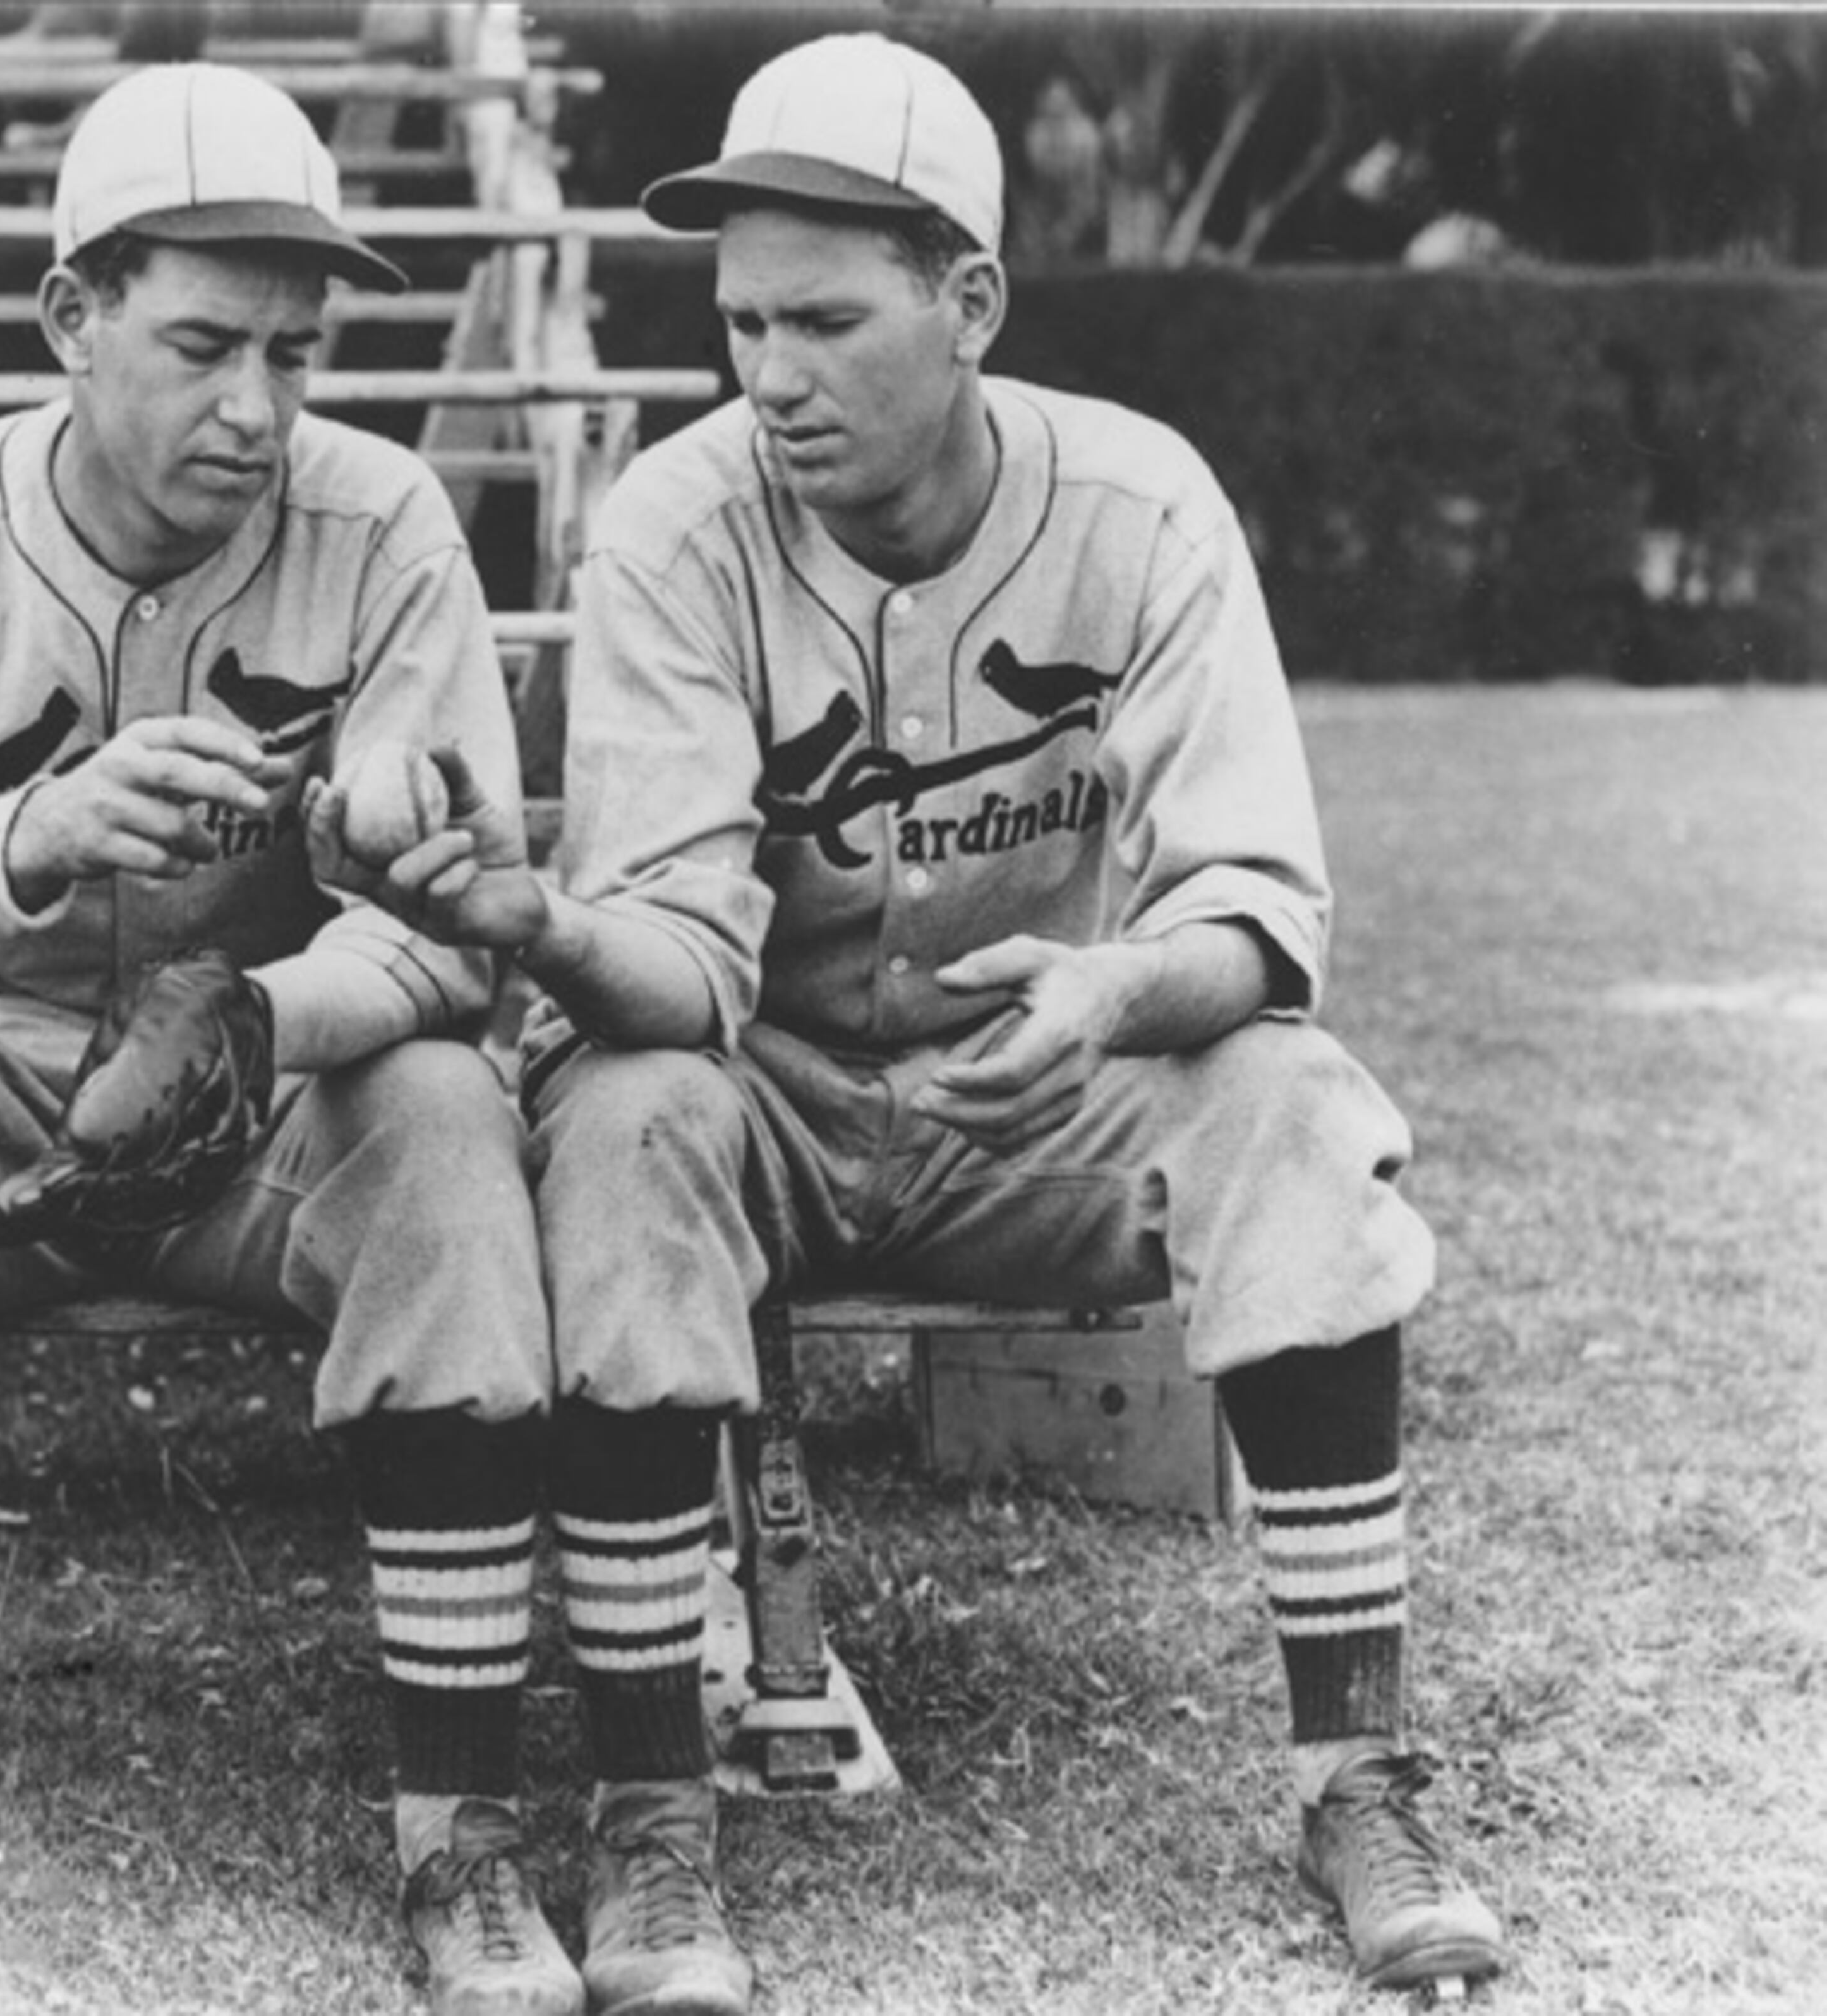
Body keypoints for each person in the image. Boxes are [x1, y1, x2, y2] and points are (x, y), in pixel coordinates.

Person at [310, 31, 1509, 2001]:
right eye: (741, 323)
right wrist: (546, 926)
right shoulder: (681, 525)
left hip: (1044, 1087)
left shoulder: (1140, 504)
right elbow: (678, 962)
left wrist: (1123, 983)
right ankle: (654, 1832)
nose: (768, 376)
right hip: (760, 1093)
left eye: (827, 321)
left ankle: (1358, 1775)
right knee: (623, 1114)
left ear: (971, 306)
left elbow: (1262, 909)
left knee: (1289, 1098)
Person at [0, 61, 690, 2016]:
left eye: (293, 350)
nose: (256, 410)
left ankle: (462, 1840)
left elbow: (452, 947)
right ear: (70, 321)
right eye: (199, 344)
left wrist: (268, 1011)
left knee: (437, 1121)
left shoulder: (385, 521)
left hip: (263, 1096)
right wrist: (28, 837)